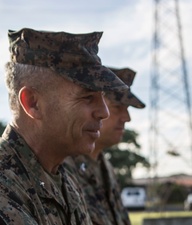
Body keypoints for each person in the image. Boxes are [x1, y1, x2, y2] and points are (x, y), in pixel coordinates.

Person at [0, 28, 128, 224]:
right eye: (87, 97)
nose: (104, 112)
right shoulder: (6, 185)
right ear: (33, 103)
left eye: (102, 97)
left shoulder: (65, 184)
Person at [64, 67, 145, 225]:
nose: (127, 118)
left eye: (127, 109)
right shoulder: (61, 167)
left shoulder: (105, 167)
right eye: (117, 107)